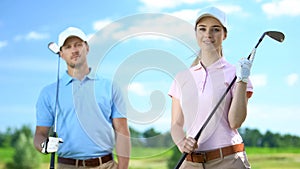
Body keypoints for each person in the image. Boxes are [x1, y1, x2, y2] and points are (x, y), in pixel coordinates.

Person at [33, 27, 130, 169]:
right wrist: (44, 145)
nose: (74, 50)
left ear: (87, 48)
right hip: (66, 165)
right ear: (61, 53)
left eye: (78, 44)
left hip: (106, 165)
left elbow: (122, 131)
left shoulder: (110, 87)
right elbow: (39, 135)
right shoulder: (48, 93)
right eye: (68, 46)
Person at [169, 7, 253, 169]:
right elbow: (176, 125)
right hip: (191, 162)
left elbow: (235, 122)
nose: (208, 34)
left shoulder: (236, 73)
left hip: (228, 160)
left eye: (215, 29)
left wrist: (242, 80)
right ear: (196, 33)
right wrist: (181, 143)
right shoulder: (182, 77)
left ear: (224, 35)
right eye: (202, 29)